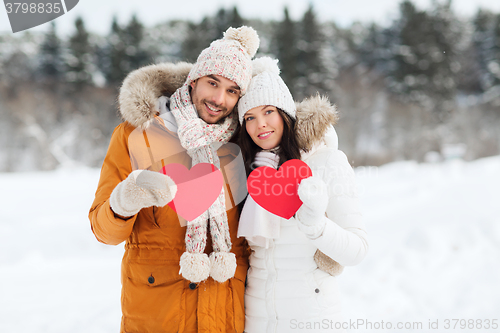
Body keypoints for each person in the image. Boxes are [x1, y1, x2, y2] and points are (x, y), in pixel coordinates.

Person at [89, 26, 260, 333]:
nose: (219, 99)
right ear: (194, 80)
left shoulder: (245, 142)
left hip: (225, 315)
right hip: (158, 316)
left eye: (233, 90)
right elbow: (104, 232)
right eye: (213, 83)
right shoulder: (136, 135)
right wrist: (123, 201)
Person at [237, 57, 369, 332]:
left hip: (311, 318)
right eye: (250, 117)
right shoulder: (247, 172)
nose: (260, 124)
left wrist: (315, 225)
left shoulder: (327, 162)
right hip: (258, 319)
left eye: (268, 111)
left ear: (285, 113)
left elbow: (357, 250)